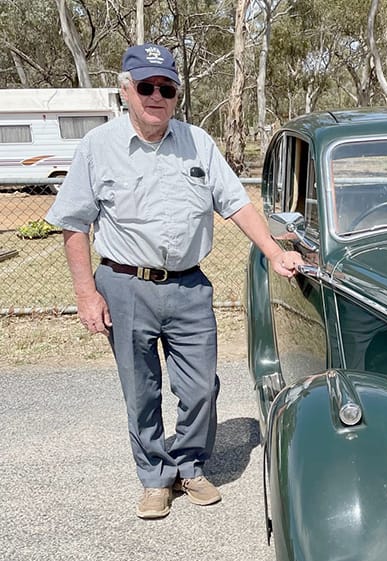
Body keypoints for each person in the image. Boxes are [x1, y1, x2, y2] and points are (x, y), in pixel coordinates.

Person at [45, 43, 304, 520]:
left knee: (201, 387)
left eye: (167, 89)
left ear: (176, 96)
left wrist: (274, 252)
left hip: (189, 287)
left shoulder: (197, 142)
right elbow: (73, 224)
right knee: (141, 389)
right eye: (146, 86)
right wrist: (86, 294)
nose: (156, 97)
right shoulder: (97, 147)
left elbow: (236, 203)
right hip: (124, 286)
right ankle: (154, 478)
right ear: (126, 91)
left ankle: (189, 465)